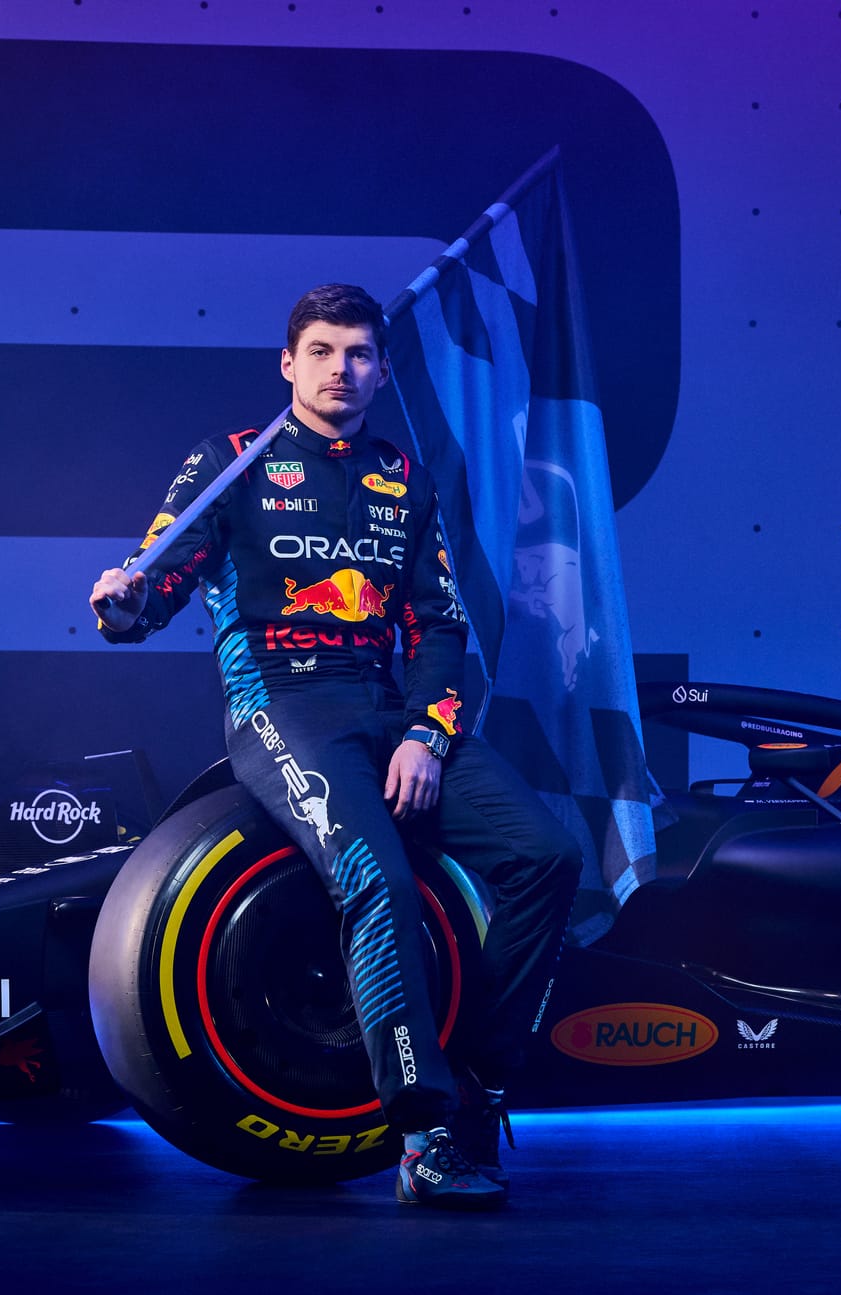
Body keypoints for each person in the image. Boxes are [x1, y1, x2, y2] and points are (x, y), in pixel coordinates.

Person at [90, 284, 582, 1210]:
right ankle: (426, 1138)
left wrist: (428, 736)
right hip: (281, 705)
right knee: (377, 877)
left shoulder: (404, 476)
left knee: (547, 855)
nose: (340, 370)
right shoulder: (230, 462)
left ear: (382, 370)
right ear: (288, 364)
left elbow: (440, 628)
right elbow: (155, 583)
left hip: (388, 709)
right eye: (320, 351)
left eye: (358, 354)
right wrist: (125, 603)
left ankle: (478, 1086)